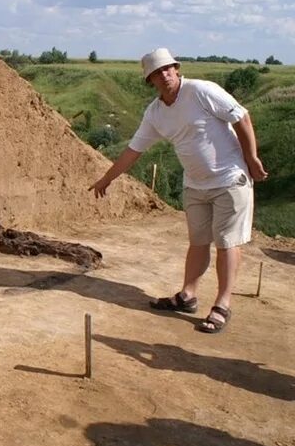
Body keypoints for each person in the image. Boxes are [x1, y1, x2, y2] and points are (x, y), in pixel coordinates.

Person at [89, 48, 268, 333]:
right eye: (157, 73)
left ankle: (222, 304)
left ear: (176, 68)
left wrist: (252, 158)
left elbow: (241, 117)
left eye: (168, 68)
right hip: (195, 185)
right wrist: (106, 179)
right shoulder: (156, 113)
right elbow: (133, 151)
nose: (165, 75)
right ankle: (188, 295)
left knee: (226, 241)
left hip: (229, 179)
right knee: (198, 242)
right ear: (151, 81)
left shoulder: (200, 91)